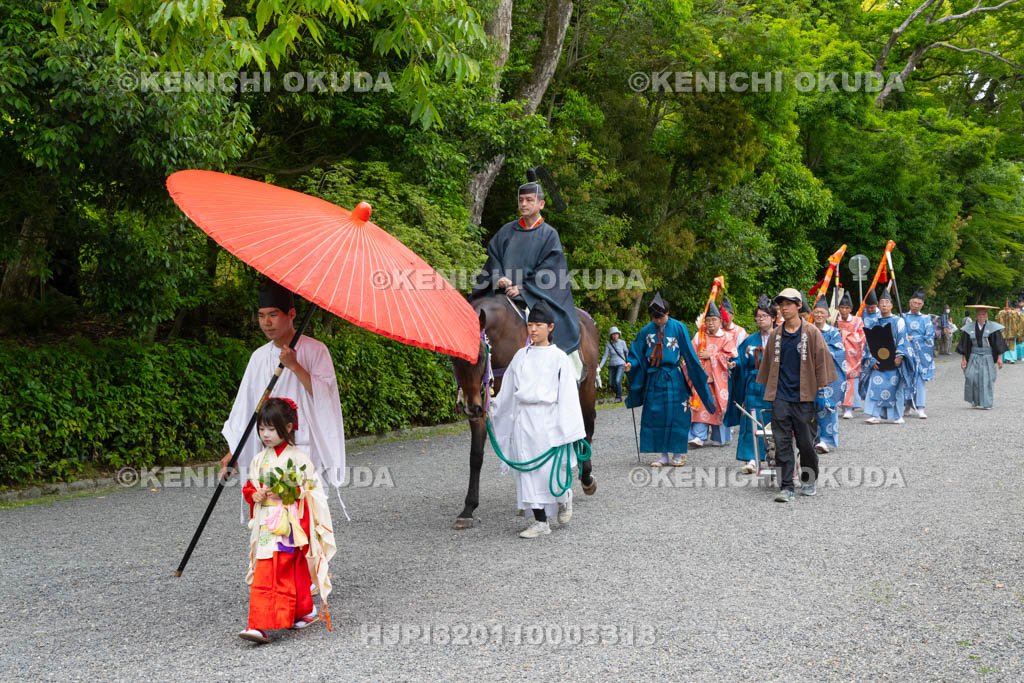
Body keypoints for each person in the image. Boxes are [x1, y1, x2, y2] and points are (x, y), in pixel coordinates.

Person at [221, 280, 346, 516]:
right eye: (261, 316)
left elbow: (325, 397)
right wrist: (234, 450)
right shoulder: (259, 357)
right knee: (272, 517)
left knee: (304, 516)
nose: (266, 323)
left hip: (304, 447)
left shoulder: (316, 350)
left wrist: (294, 365)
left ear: (291, 314)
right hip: (267, 449)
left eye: (273, 315)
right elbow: (246, 407)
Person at [239, 398, 336, 644]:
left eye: (271, 429)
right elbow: (250, 486)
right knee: (270, 570)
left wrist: (287, 492)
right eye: (262, 429)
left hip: (290, 524)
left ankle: (266, 622)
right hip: (267, 525)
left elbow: (311, 492)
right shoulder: (260, 459)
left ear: (289, 427)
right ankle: (291, 614)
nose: (265, 434)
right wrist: (255, 494)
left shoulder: (300, 458)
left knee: (285, 570)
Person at [469, 173, 584, 379]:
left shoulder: (549, 235)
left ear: (541, 204)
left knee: (549, 325)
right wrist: (498, 277)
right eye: (521, 200)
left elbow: (551, 270)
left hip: (535, 296)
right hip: (502, 294)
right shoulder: (506, 231)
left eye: (529, 200)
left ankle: (565, 374)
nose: (524, 204)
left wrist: (522, 288)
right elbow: (494, 257)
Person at [488, 300, 587, 538]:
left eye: (538, 325)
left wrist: (569, 431)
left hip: (548, 421)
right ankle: (541, 522)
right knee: (527, 471)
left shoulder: (559, 358)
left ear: (550, 327)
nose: (532, 329)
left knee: (550, 470)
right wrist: (492, 406)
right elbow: (508, 391)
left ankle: (564, 496)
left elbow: (568, 396)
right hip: (524, 421)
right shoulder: (520, 356)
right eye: (530, 324)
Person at [756, 288, 837, 502]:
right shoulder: (776, 334)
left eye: (788, 304)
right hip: (781, 396)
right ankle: (786, 486)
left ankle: (808, 480)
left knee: (806, 443)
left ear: (799, 305)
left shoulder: (811, 332)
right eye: (781, 304)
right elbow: (767, 366)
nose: (784, 308)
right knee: (781, 442)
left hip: (805, 396)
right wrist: (769, 391)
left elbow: (822, 362)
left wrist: (821, 392)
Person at [624, 293, 716, 467]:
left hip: (674, 377)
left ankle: (678, 454)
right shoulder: (646, 330)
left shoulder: (679, 327)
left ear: (667, 313)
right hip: (654, 378)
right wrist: (631, 364)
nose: (658, 321)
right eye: (655, 318)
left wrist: (698, 374)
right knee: (656, 415)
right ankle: (663, 455)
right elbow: (636, 353)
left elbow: (689, 354)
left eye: (661, 317)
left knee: (677, 415)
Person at [726, 295, 775, 474]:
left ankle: (773, 456)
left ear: (773, 318)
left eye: (764, 316)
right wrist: (735, 364)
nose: (760, 319)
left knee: (771, 420)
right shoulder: (750, 340)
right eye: (758, 316)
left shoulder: (781, 338)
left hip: (773, 384)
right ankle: (752, 458)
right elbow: (740, 358)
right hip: (753, 385)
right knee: (750, 420)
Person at [859, 289, 914, 424]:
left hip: (894, 360)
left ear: (891, 305)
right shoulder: (874, 322)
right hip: (878, 361)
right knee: (875, 387)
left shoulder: (899, 321)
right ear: (878, 305)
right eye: (882, 302)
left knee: (895, 388)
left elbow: (902, 339)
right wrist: (871, 360)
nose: (884, 305)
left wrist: (900, 356)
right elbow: (869, 344)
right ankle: (875, 415)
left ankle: (898, 415)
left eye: (887, 302)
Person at [688, 301, 738, 448]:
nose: (710, 323)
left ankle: (719, 437)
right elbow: (691, 353)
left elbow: (732, 356)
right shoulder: (699, 336)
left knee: (719, 408)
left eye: (714, 320)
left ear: (720, 321)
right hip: (702, 379)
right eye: (708, 320)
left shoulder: (726, 337)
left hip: (719, 381)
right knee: (701, 407)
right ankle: (698, 436)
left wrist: (712, 355)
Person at [810, 298, 846, 453]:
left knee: (828, 406)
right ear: (812, 314)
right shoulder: (808, 330)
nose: (819, 315)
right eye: (816, 312)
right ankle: (812, 438)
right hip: (810, 374)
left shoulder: (834, 332)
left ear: (827, 315)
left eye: (822, 312)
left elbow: (839, 352)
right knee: (810, 407)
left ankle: (825, 440)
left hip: (828, 374)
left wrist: (821, 352)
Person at [957, 305, 1008, 409]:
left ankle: (987, 403)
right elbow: (965, 345)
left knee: (987, 379)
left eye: (983, 315)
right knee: (971, 377)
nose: (981, 317)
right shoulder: (969, 328)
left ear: (986, 316)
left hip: (987, 356)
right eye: (979, 315)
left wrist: (999, 358)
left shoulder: (993, 328)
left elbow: (998, 344)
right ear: (976, 316)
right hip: (974, 355)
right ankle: (975, 400)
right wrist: (964, 360)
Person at [902, 288, 935, 418]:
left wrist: (914, 338)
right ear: (910, 303)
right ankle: (907, 405)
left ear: (922, 305)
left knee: (920, 380)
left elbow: (929, 337)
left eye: (919, 303)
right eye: (914, 303)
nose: (916, 305)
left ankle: (921, 407)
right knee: (906, 379)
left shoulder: (926, 319)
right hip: (906, 352)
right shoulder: (902, 317)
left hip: (921, 354)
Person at [834, 291, 866, 419]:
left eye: (846, 308)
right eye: (842, 307)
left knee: (850, 381)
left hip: (852, 355)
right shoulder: (834, 320)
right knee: (837, 380)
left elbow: (861, 338)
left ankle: (848, 408)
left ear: (851, 309)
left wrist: (845, 334)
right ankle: (840, 406)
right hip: (838, 354)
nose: (844, 310)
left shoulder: (857, 321)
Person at [598, 326, 629, 401]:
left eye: (616, 334)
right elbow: (605, 356)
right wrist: (600, 366)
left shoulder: (622, 343)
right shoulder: (608, 344)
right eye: (613, 334)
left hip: (621, 364)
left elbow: (627, 353)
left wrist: (628, 362)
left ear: (618, 334)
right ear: (611, 335)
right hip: (611, 365)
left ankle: (618, 397)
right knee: (611, 383)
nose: (615, 335)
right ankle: (618, 392)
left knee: (618, 380)